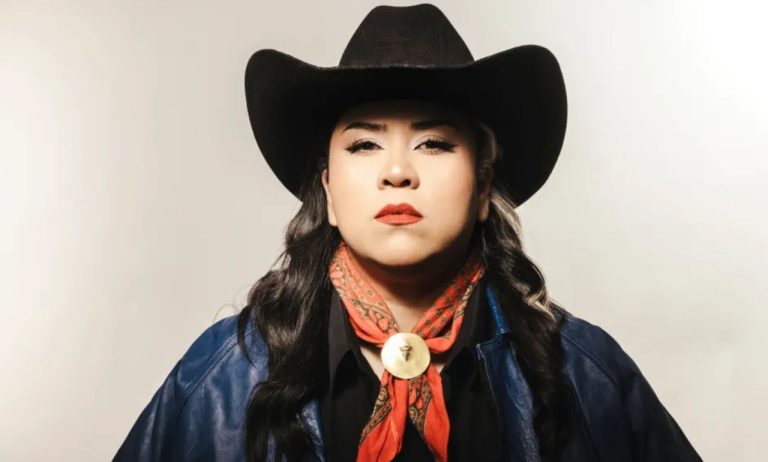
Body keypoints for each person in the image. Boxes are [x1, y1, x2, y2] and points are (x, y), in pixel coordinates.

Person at [114, 4, 702, 462]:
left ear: (482, 186)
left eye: (434, 143)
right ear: (329, 190)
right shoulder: (220, 377)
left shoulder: (585, 375)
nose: (397, 171)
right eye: (364, 145)